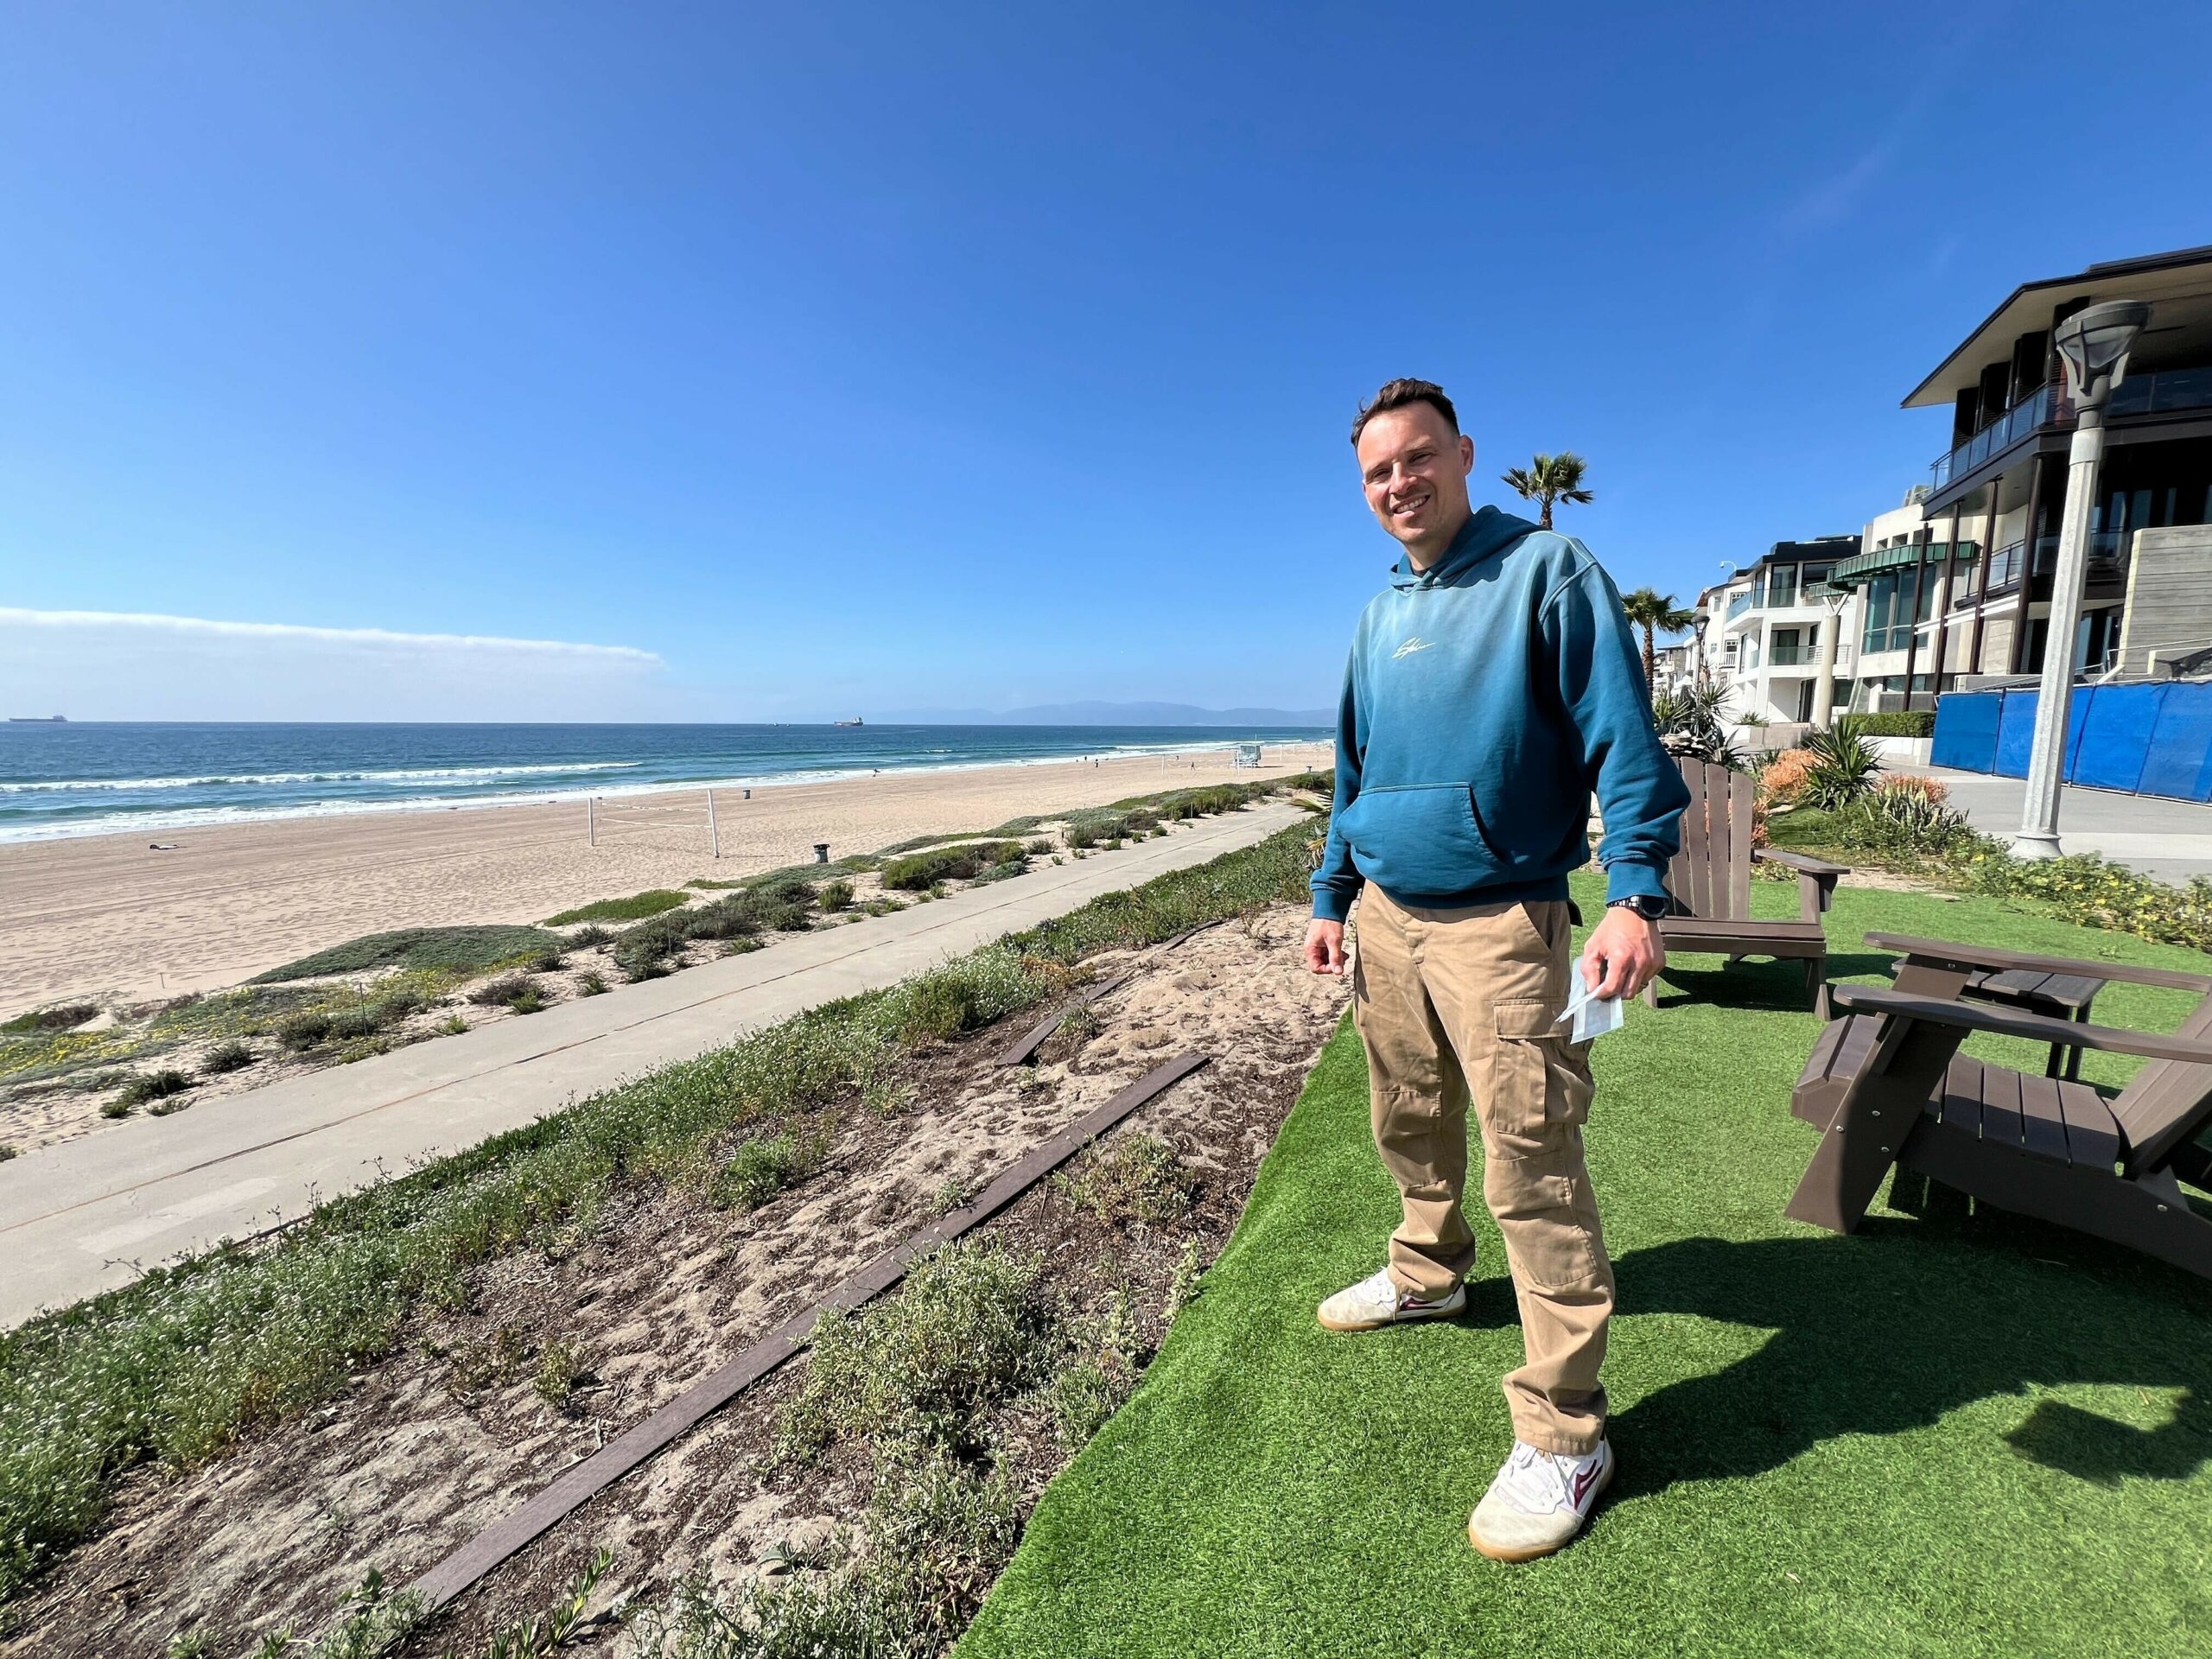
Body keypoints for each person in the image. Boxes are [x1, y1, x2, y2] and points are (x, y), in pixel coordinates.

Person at [1303, 378, 1688, 1561]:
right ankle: (1428, 1272)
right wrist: (1332, 895)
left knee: (1532, 1157)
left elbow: (1622, 734)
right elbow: (1352, 772)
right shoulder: (1378, 616)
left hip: (1504, 923)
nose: (1399, 484)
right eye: (1378, 472)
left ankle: (1569, 1436)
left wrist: (1633, 894)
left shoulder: (1549, 571)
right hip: (1388, 919)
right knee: (1408, 1117)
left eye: (1417, 459)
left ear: (1465, 456)